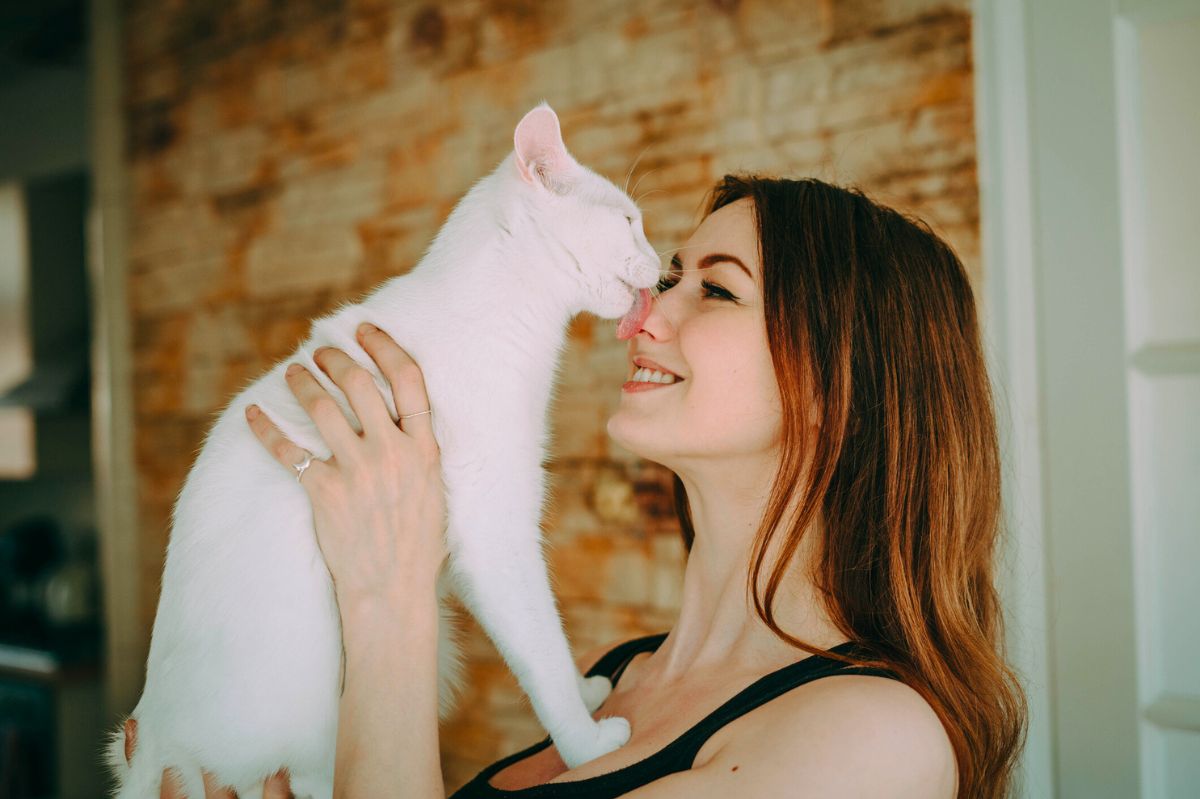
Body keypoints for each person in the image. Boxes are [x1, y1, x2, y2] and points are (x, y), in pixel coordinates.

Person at [126, 174, 1027, 798]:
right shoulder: (608, 680)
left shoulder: (875, 736)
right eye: (668, 273)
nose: (648, 310)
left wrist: (389, 592)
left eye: (715, 292)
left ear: (839, 383)